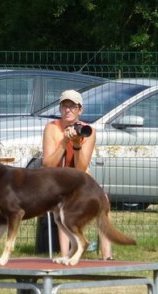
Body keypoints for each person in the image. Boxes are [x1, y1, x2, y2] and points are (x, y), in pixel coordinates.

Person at [42, 89, 113, 261]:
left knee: (103, 200)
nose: (68, 110)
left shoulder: (88, 131)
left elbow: (81, 168)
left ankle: (107, 257)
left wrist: (76, 145)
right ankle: (64, 256)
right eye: (64, 106)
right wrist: (64, 142)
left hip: (80, 178)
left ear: (80, 110)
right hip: (56, 178)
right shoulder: (52, 128)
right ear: (60, 109)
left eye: (72, 107)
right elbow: (48, 164)